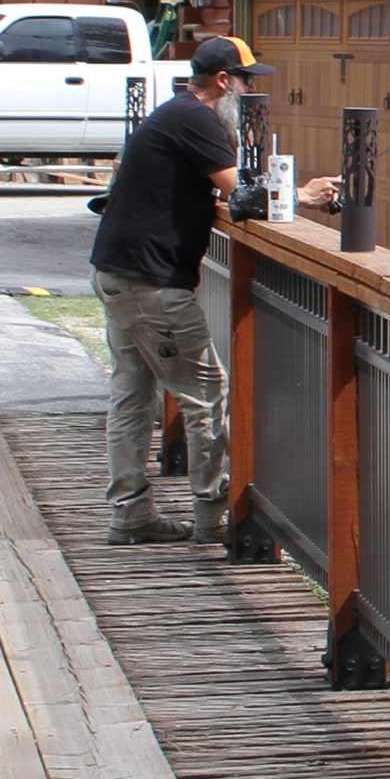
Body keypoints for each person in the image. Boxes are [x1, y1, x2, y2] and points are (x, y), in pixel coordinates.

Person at [89, 34, 333, 544]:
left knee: (133, 393)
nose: (249, 93)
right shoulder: (197, 119)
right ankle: (211, 515)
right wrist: (305, 195)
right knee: (206, 392)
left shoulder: (176, 113)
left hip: (119, 271)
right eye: (246, 82)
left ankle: (130, 514)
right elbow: (240, 194)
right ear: (222, 81)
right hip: (152, 284)